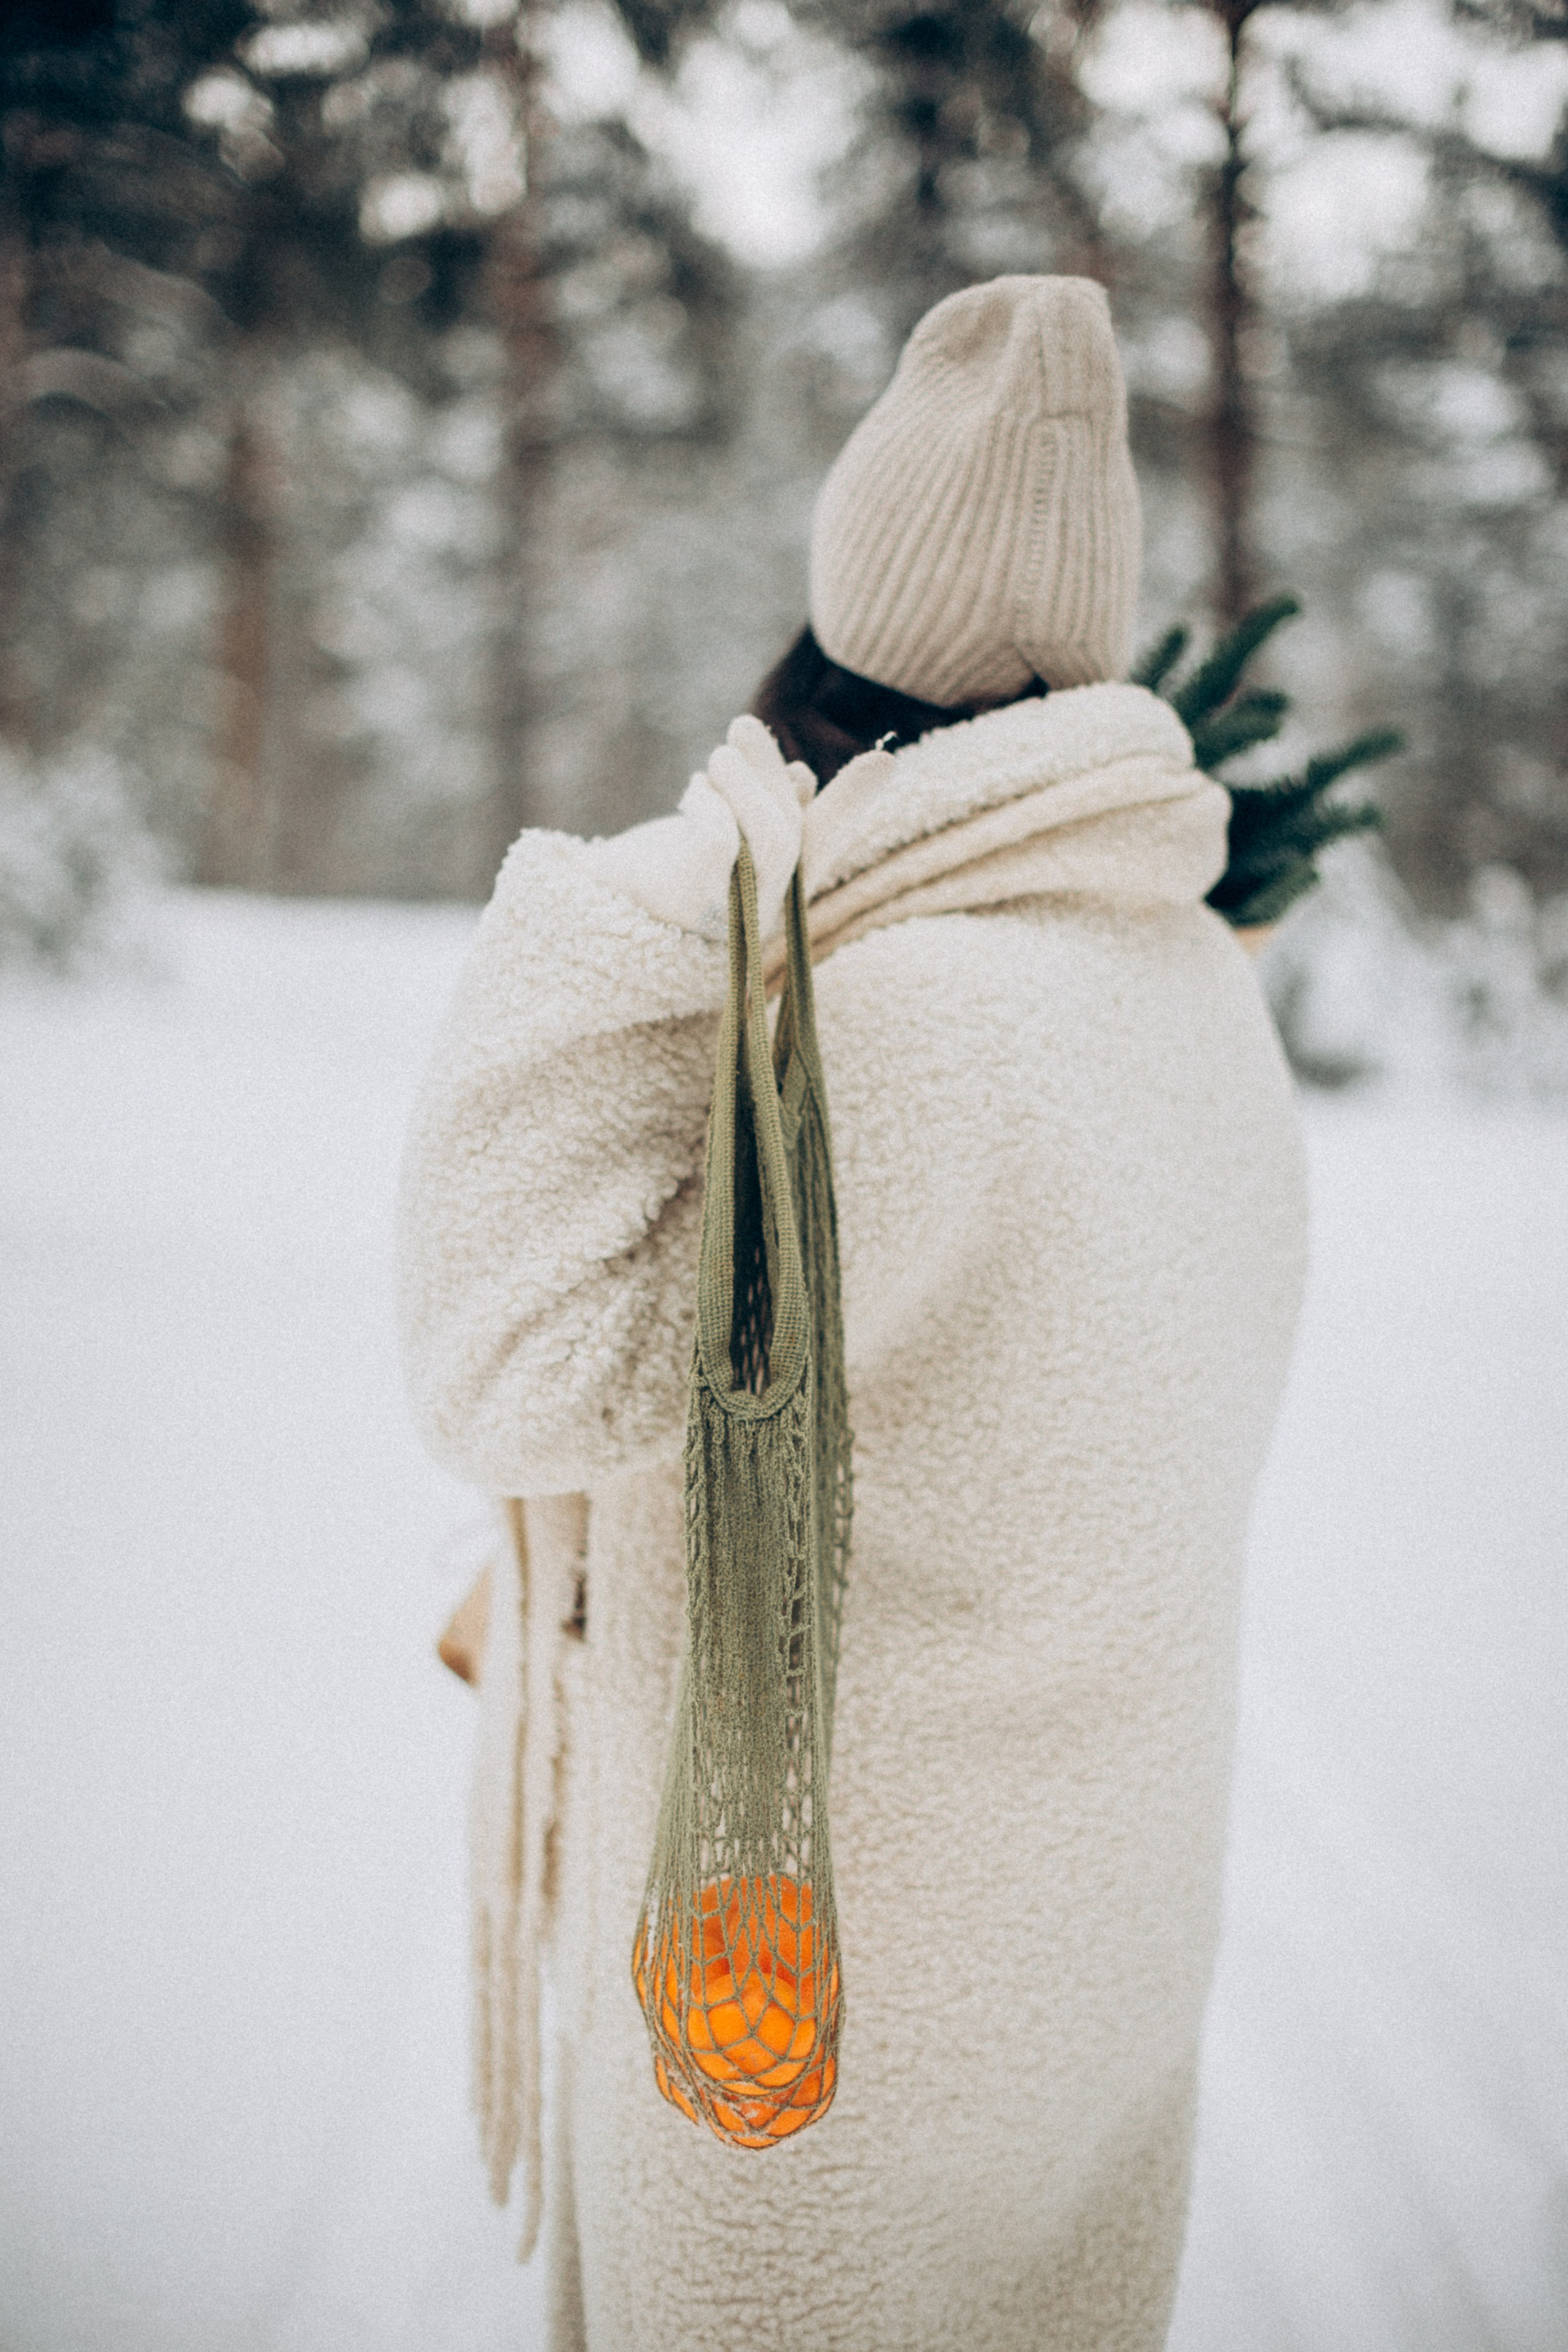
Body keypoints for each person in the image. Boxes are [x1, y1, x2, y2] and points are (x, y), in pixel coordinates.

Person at [398, 274, 1307, 2352]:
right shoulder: (1189, 979)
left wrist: (623, 901)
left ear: (832, 661)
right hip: (1078, 1978)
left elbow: (507, 1373)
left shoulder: (881, 1023)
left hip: (817, 2013)